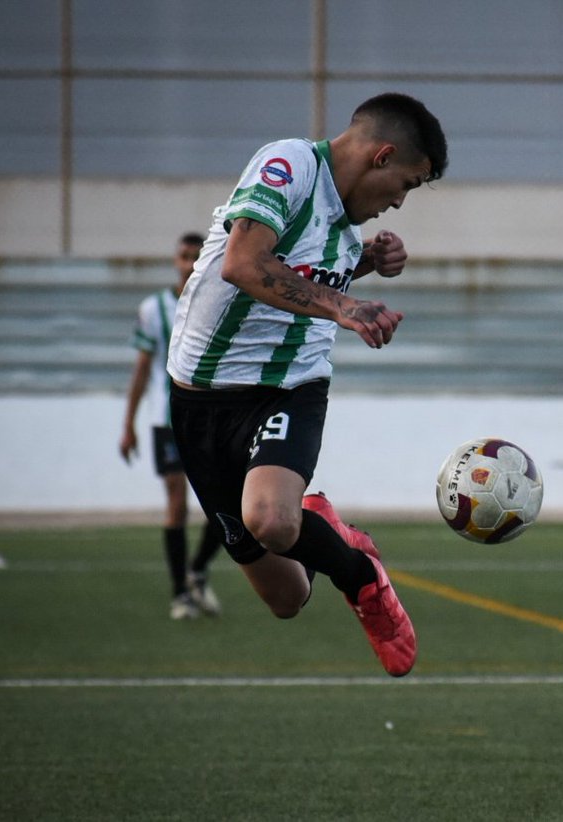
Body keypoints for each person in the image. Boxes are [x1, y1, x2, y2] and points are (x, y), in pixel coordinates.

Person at [166, 92, 448, 677]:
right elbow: (243, 263)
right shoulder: (291, 164)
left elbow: (310, 267)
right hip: (199, 399)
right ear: (382, 155)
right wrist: (346, 301)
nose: (398, 202)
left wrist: (364, 261)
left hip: (290, 384)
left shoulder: (349, 226)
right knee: (287, 597)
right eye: (407, 185)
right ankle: (329, 529)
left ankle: (363, 580)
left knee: (270, 520)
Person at [120, 232, 224, 620]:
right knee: (177, 504)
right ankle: (181, 592)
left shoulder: (220, 298)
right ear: (174, 260)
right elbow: (142, 368)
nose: (190, 261)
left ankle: (197, 570)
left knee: (226, 505)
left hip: (213, 420)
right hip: (168, 421)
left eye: (197, 255)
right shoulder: (154, 308)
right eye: (184, 255)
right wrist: (128, 423)